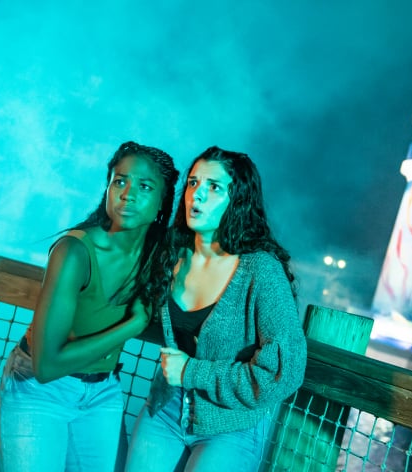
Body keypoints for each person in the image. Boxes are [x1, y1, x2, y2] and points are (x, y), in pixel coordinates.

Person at [0, 141, 178, 471]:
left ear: (163, 202)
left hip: (102, 394)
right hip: (40, 392)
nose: (128, 194)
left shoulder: (159, 255)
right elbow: (47, 366)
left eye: (145, 186)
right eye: (120, 181)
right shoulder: (74, 252)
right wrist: (131, 326)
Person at [125, 146, 307, 472]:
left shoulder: (259, 271)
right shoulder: (172, 253)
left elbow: (285, 371)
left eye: (214, 187)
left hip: (231, 425)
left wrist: (192, 372)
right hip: (165, 410)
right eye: (193, 183)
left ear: (237, 200)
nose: (198, 195)